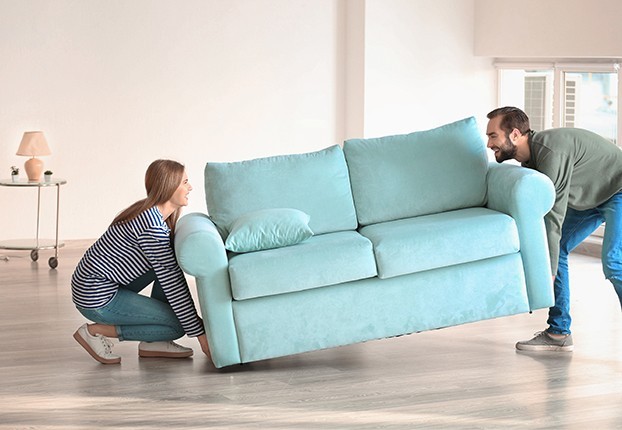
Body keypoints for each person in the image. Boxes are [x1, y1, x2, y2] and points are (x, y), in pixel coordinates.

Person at [486, 106, 622, 352]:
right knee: (556, 249)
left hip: (618, 188)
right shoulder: (530, 162)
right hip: (591, 196)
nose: (488, 144)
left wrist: (546, 270)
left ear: (515, 134)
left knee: (613, 262)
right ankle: (558, 332)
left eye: (493, 136)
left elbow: (553, 215)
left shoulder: (550, 152)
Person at [71, 159, 210, 364]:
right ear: (169, 186)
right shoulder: (152, 228)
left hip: (98, 284)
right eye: (185, 182)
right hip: (96, 298)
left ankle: (153, 342)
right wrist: (201, 334)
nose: (190, 187)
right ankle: (94, 331)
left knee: (169, 267)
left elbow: (171, 276)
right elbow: (174, 287)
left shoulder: (149, 212)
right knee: (177, 326)